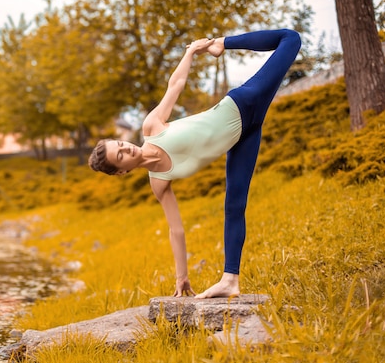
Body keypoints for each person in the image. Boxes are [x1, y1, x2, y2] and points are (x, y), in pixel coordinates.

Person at [88, 29, 301, 298]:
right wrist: (182, 277)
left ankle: (223, 43)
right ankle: (230, 280)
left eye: (120, 144)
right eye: (121, 155)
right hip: (243, 138)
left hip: (241, 104)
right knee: (234, 204)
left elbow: (174, 85)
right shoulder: (159, 183)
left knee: (291, 39)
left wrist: (190, 52)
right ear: (122, 171)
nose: (126, 147)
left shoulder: (152, 127)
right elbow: (175, 230)